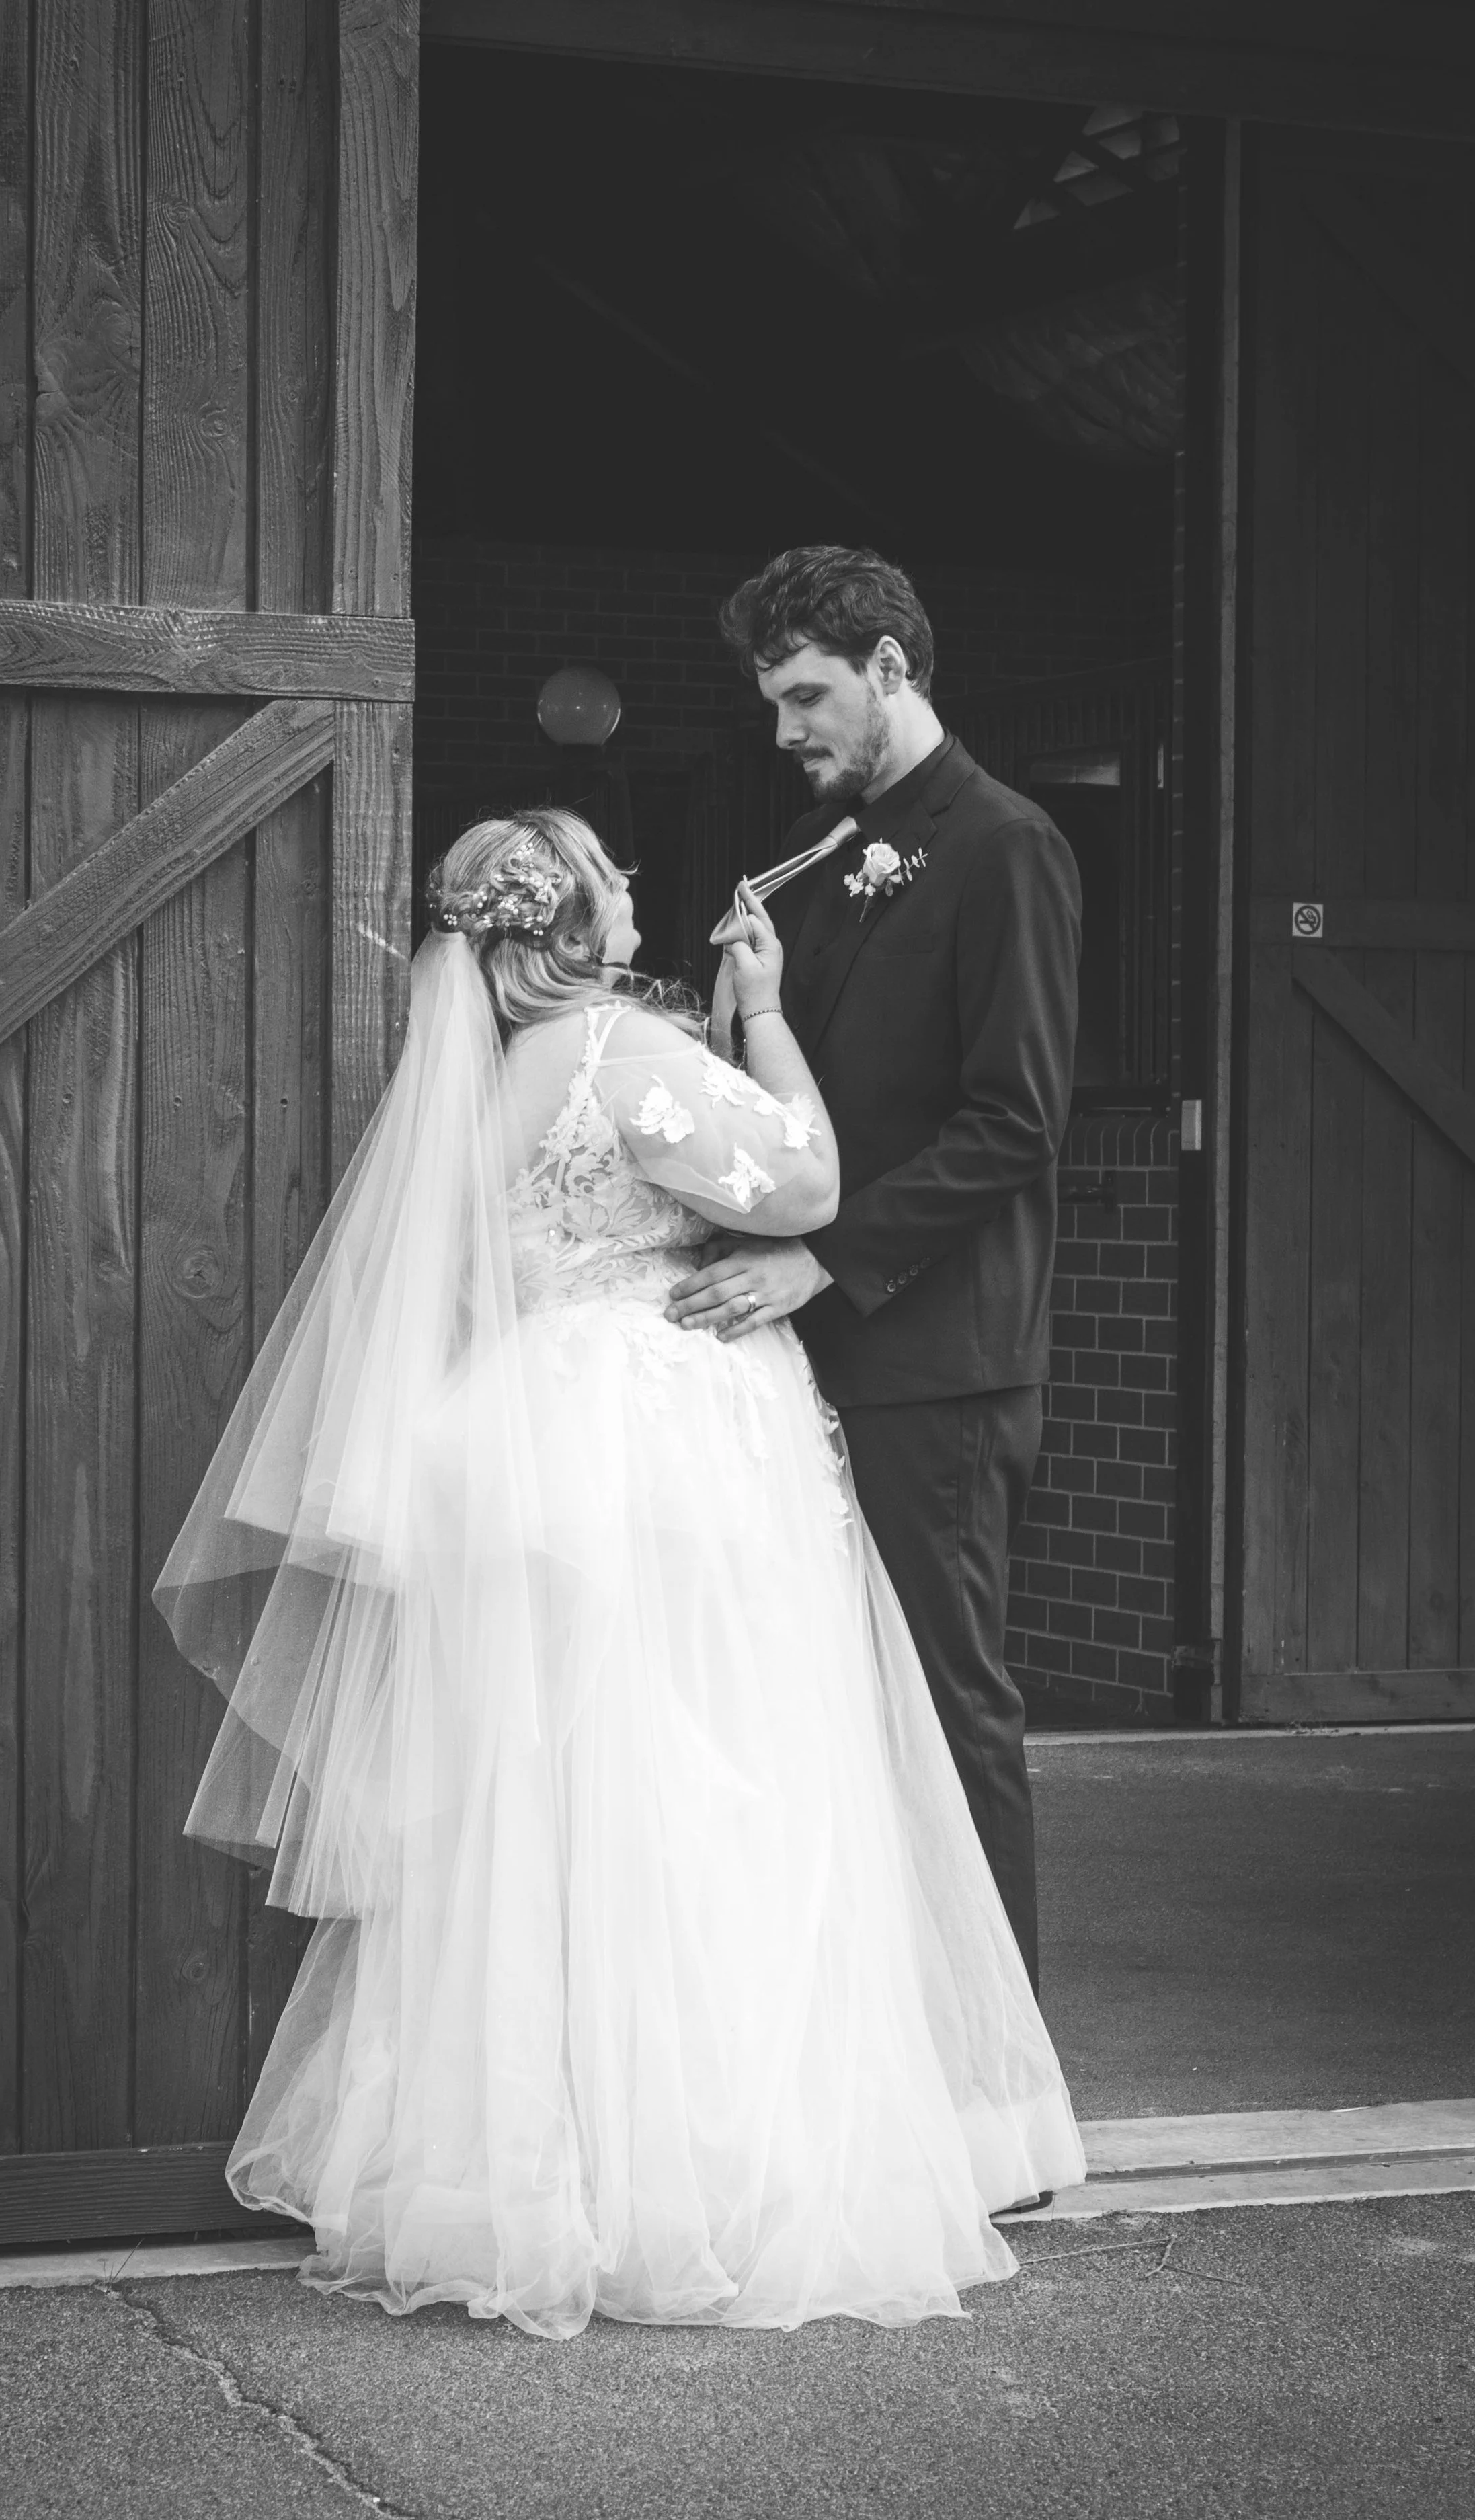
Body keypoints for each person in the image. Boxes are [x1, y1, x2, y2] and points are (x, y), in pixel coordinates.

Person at [155, 807, 1082, 2342]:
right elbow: (803, 1187)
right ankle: (700, 2178)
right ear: (577, 921)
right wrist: (764, 1016)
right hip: (654, 1442)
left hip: (523, 1434)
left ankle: (534, 2170)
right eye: (613, 876)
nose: (638, 886)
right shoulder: (615, 1050)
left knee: (545, 1802)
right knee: (700, 1778)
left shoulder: (474, 1076)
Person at [669, 546, 1082, 2002]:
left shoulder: (1006, 843)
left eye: (806, 696)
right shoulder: (816, 850)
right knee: (831, 1705)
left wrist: (822, 1263)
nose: (784, 729)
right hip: (810, 1353)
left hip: (937, 1360)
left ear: (890, 668)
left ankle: (994, 2069)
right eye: (774, 701)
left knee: (948, 1706)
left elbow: (1015, 1124)